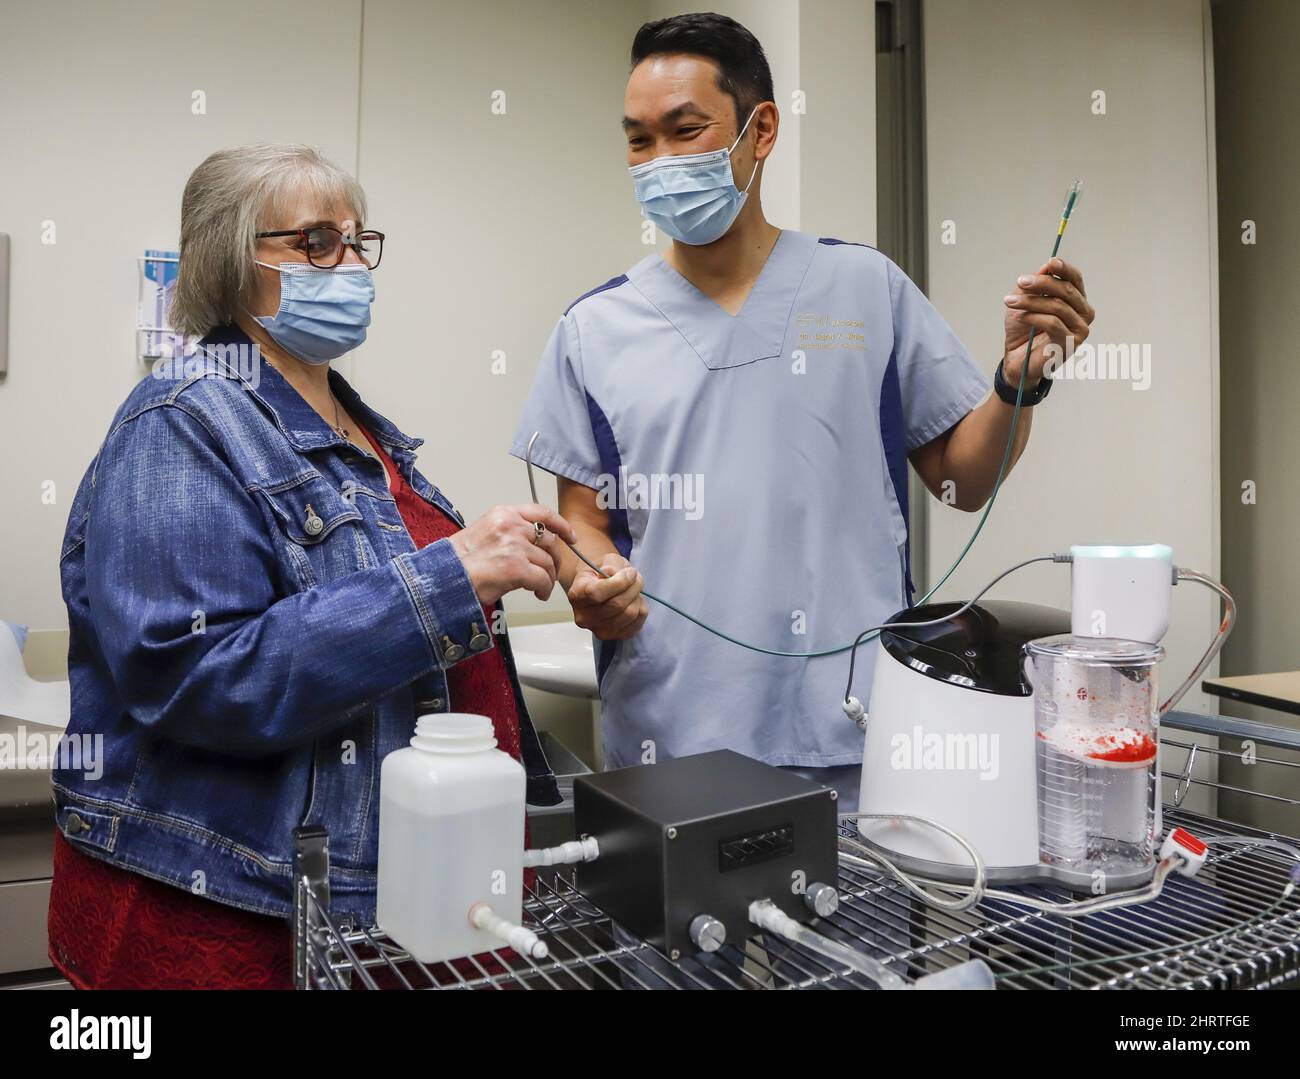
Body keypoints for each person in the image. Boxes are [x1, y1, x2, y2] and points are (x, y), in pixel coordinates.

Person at [511, 13, 1096, 811]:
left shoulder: (866, 290)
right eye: (639, 140)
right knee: (674, 938)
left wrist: (1017, 383)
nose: (661, 161)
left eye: (686, 131)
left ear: (762, 131)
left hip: (854, 732)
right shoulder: (594, 329)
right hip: (672, 735)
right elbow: (584, 521)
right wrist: (593, 584)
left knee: (867, 941)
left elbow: (962, 478)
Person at [49, 143, 574, 988]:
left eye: (359, 242)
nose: (351, 265)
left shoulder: (364, 430)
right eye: (316, 243)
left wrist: (488, 550)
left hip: (361, 902)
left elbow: (374, 597)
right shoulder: (180, 418)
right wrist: (452, 577)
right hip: (229, 913)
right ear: (234, 260)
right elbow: (197, 676)